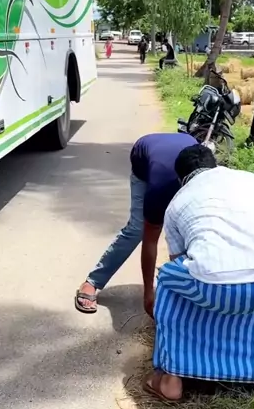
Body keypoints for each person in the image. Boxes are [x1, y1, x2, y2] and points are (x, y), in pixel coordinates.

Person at [144, 144, 254, 402]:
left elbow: (181, 261)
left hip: (214, 286)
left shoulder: (176, 203)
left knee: (169, 278)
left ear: (181, 178)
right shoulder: (248, 179)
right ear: (215, 165)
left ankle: (171, 379)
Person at [75, 132, 198, 315]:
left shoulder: (211, 181)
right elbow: (150, 237)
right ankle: (92, 282)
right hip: (144, 157)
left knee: (190, 229)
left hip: (178, 152)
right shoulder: (160, 185)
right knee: (137, 229)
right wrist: (149, 293)